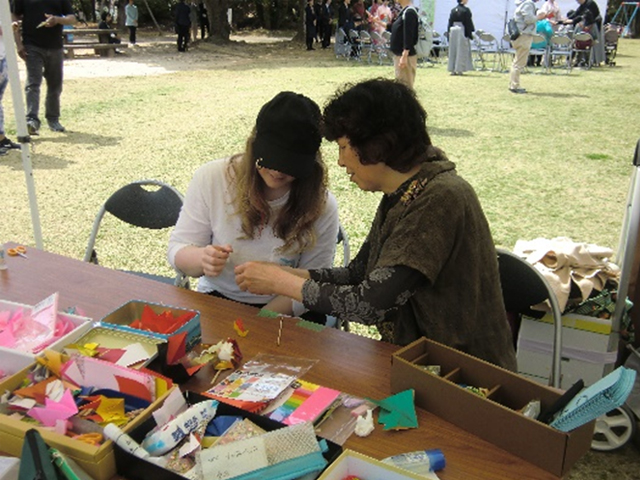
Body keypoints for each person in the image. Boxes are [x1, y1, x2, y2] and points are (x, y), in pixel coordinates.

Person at [235, 79, 518, 371]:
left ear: (378, 146)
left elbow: (372, 302)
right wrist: (290, 272)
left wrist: (282, 283)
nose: (341, 161)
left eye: (344, 147)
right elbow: (360, 273)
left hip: (465, 378)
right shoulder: (406, 192)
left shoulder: (440, 198)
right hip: (424, 366)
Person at [168, 91, 339, 317]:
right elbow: (178, 250)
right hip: (218, 299)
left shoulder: (321, 204)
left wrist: (259, 322)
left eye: (290, 164)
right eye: (270, 158)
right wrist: (202, 259)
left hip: (286, 308)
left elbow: (310, 286)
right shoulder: (212, 178)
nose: (278, 171)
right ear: (254, 145)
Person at [11, 0, 76, 135]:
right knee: (33, 83)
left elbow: (72, 19)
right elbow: (14, 16)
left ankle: (53, 119)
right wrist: (19, 44)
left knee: (55, 85)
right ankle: (31, 120)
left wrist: (57, 19)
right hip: (32, 45)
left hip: (55, 46)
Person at [509, 0, 544, 94]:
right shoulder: (528, 4)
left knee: (517, 61)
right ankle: (515, 85)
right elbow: (528, 19)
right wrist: (538, 17)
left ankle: (513, 83)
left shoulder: (521, 4)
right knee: (519, 62)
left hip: (519, 35)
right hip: (524, 35)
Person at [390, 0, 418, 89]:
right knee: (400, 85)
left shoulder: (409, 12)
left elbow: (408, 35)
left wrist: (404, 55)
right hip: (400, 54)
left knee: (405, 86)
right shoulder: (404, 11)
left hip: (405, 55)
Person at [566, 0, 605, 66]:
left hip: (594, 26)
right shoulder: (582, 6)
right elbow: (576, 14)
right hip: (585, 28)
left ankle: (594, 60)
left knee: (594, 43)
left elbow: (586, 17)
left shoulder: (590, 4)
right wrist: (566, 20)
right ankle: (580, 59)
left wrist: (573, 21)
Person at [447, 0, 475, 76]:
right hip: (461, 29)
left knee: (453, 50)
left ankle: (452, 69)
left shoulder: (453, 10)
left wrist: (448, 33)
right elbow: (468, 22)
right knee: (461, 50)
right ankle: (459, 69)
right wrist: (469, 33)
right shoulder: (466, 10)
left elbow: (450, 22)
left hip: (453, 30)